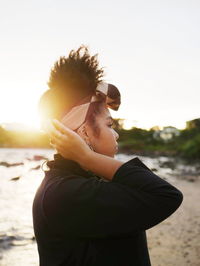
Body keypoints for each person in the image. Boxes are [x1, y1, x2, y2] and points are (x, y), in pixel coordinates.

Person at [32, 46, 183, 266]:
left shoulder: (81, 181)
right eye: (109, 124)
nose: (116, 133)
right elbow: (166, 196)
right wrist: (87, 157)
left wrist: (88, 160)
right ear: (83, 131)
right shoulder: (64, 194)